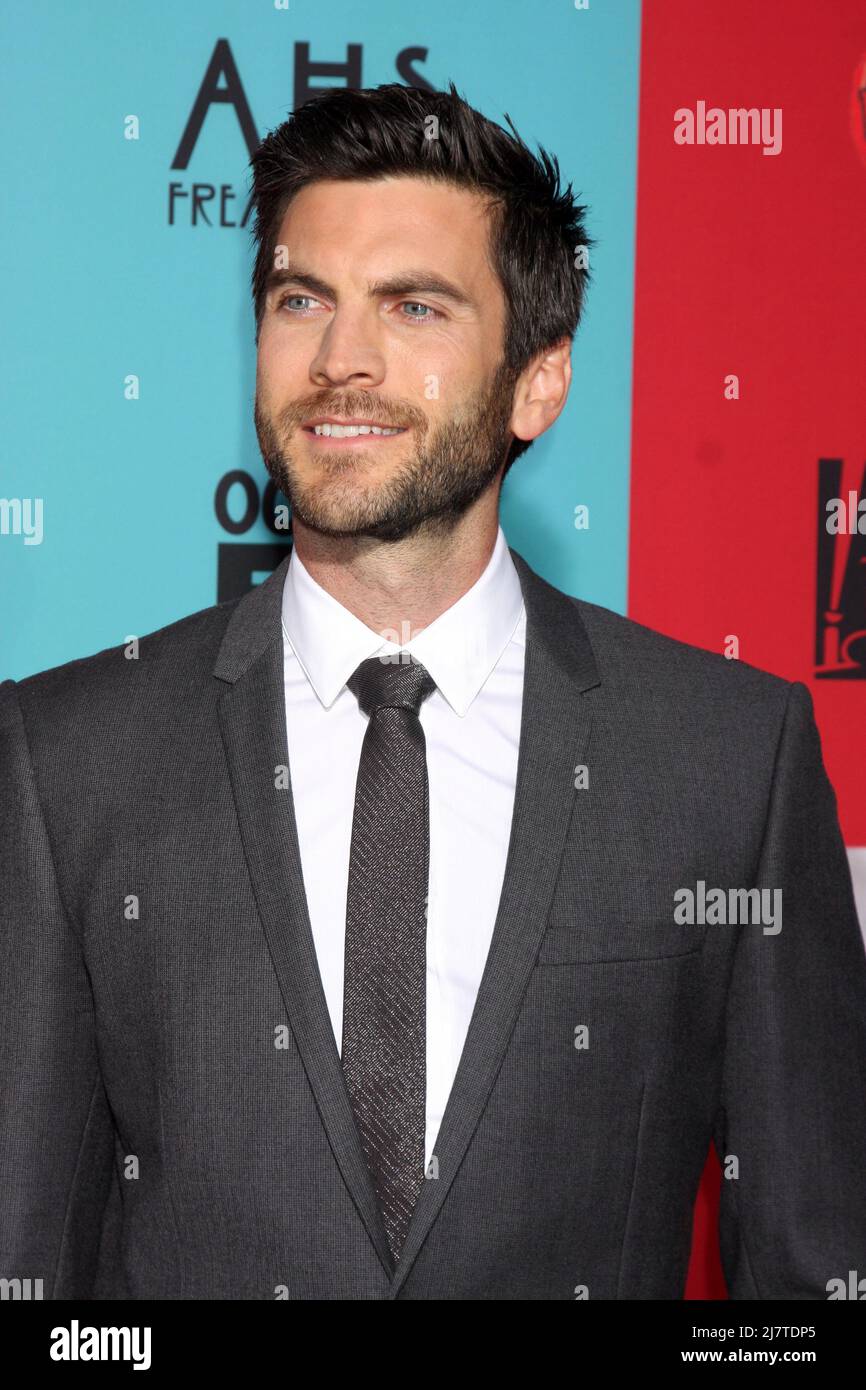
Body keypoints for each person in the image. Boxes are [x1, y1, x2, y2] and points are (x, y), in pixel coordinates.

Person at [2, 82, 864, 1301]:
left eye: (413, 306)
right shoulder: (67, 756)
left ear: (537, 383)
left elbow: (810, 1274)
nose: (340, 359)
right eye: (301, 301)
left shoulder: (726, 758)